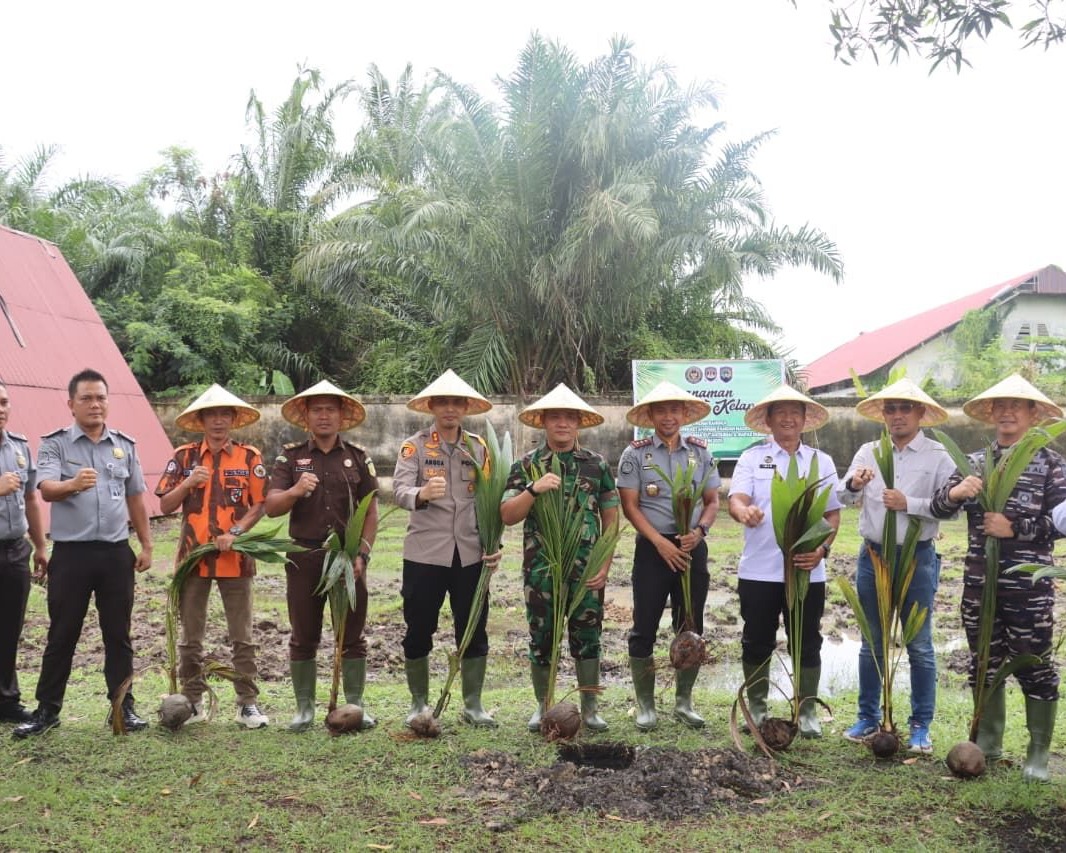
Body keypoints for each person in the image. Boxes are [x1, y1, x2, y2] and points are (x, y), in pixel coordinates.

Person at [930, 374, 1066, 781]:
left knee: (1035, 665)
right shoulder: (973, 462)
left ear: (1034, 413)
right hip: (979, 583)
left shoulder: (1051, 463)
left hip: (1029, 587)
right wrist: (957, 494)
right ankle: (988, 742)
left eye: (1018, 404)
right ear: (990, 413)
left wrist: (1016, 528)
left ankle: (1038, 752)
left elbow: (1063, 520)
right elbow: (938, 508)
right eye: (1000, 404)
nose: (1007, 410)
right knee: (984, 663)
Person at [14, 369, 153, 739]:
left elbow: (136, 496)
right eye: (87, 398)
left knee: (118, 634)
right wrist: (72, 484)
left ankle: (122, 706)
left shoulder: (125, 445)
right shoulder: (56, 444)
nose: (95, 404)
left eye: (101, 398)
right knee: (62, 633)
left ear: (108, 401)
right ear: (71, 404)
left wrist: (147, 543)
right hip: (71, 555)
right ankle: (47, 710)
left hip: (114, 554)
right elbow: (45, 488)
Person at [837, 378, 956, 753]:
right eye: (891, 408)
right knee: (872, 640)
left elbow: (951, 505)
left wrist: (910, 503)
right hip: (873, 555)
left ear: (921, 413)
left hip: (916, 557)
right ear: (883, 415)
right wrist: (855, 483)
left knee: (918, 645)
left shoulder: (938, 455)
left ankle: (921, 725)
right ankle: (867, 717)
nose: (898, 415)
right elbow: (841, 495)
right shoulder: (869, 451)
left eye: (906, 408)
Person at [500, 384, 619, 732]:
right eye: (556, 417)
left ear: (579, 423)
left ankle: (590, 707)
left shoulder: (596, 465)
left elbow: (611, 518)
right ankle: (543, 705)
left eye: (570, 417)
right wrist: (533, 490)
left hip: (586, 569)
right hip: (542, 569)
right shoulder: (527, 466)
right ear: (544, 422)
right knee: (542, 636)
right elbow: (507, 514)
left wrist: (604, 563)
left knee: (588, 635)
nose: (563, 423)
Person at [727, 385, 841, 739]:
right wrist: (745, 511)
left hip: (808, 571)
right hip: (760, 572)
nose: (789, 418)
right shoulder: (752, 458)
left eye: (796, 412)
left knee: (807, 640)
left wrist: (821, 550)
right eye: (781, 412)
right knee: (757, 640)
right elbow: (737, 500)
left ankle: (806, 710)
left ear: (805, 420)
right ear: (769, 420)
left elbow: (833, 515)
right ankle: (757, 708)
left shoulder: (821, 462)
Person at [266, 380, 379, 732]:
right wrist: (297, 490)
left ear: (342, 416)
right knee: (304, 633)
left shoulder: (359, 457)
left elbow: (371, 511)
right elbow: (271, 506)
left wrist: (363, 553)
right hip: (305, 557)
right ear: (307, 416)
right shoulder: (291, 457)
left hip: (347, 559)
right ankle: (304, 709)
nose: (325, 416)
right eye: (318, 410)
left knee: (352, 633)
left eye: (331, 409)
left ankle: (354, 705)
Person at [155, 384, 269, 728]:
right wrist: (188, 483)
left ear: (233, 419)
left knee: (242, 636)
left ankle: (247, 703)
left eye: (224, 414)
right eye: (211, 415)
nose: (218, 421)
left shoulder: (250, 457)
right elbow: (164, 505)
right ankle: (192, 702)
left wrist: (234, 533)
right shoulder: (184, 456)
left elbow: (260, 504)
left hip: (236, 558)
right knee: (191, 637)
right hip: (193, 558)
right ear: (201, 420)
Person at [393, 370, 502, 728]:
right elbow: (399, 490)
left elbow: (491, 500)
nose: (450, 409)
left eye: (457, 402)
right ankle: (418, 702)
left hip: (471, 554)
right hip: (425, 552)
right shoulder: (416, 446)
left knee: (472, 628)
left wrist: (494, 544)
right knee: (419, 627)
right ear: (432, 407)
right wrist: (420, 495)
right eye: (444, 402)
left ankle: (473, 705)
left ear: (466, 407)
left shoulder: (479, 448)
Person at [615, 381, 719, 731]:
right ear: (650, 415)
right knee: (644, 626)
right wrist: (660, 542)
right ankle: (645, 705)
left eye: (675, 410)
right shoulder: (636, 454)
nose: (669, 416)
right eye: (661, 410)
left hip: (691, 548)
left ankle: (683, 702)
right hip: (652, 548)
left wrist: (699, 532)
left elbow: (712, 501)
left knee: (690, 625)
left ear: (685, 414)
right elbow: (630, 507)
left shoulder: (701, 453)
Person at [0, 383, 48, 725]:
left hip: (16, 550)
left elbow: (31, 498)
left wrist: (41, 545)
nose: (0, 408)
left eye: (3, 402)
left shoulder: (18, 447)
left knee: (9, 627)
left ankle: (7, 700)